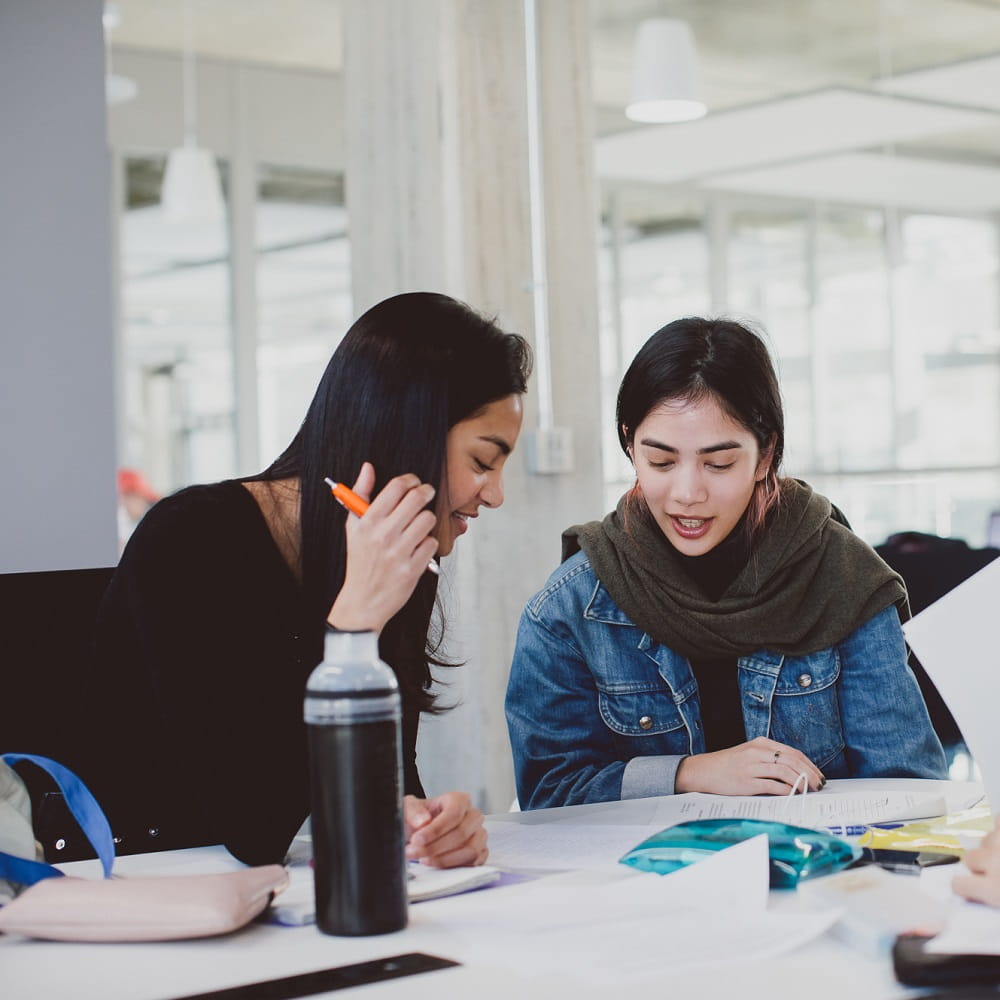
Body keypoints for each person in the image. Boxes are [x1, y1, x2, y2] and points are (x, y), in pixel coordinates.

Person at [85, 292, 531, 867]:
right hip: (155, 879)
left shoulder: (394, 559)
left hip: (292, 894)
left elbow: (384, 774)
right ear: (408, 433)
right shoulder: (189, 539)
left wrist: (425, 827)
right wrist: (354, 625)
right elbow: (254, 822)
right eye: (482, 461)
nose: (494, 494)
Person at [505, 316, 946, 810]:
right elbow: (549, 795)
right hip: (644, 883)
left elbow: (909, 788)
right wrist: (692, 774)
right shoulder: (569, 609)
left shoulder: (844, 578)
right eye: (661, 462)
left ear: (764, 457)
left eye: (718, 464)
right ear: (630, 445)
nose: (688, 494)